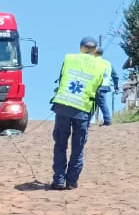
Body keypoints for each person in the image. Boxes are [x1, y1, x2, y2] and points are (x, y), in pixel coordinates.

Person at [49, 37, 105, 190]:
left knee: (60, 144)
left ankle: (59, 179)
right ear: (95, 50)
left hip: (63, 105)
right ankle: (72, 181)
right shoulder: (101, 65)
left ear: (80, 47)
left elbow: (61, 79)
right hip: (82, 109)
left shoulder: (69, 58)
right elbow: (98, 86)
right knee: (78, 146)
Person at [92, 48, 119, 126]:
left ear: (94, 53)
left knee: (98, 103)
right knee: (97, 103)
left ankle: (107, 120)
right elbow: (115, 76)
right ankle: (87, 121)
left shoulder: (93, 62)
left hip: (95, 85)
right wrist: (116, 86)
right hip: (105, 85)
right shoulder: (108, 63)